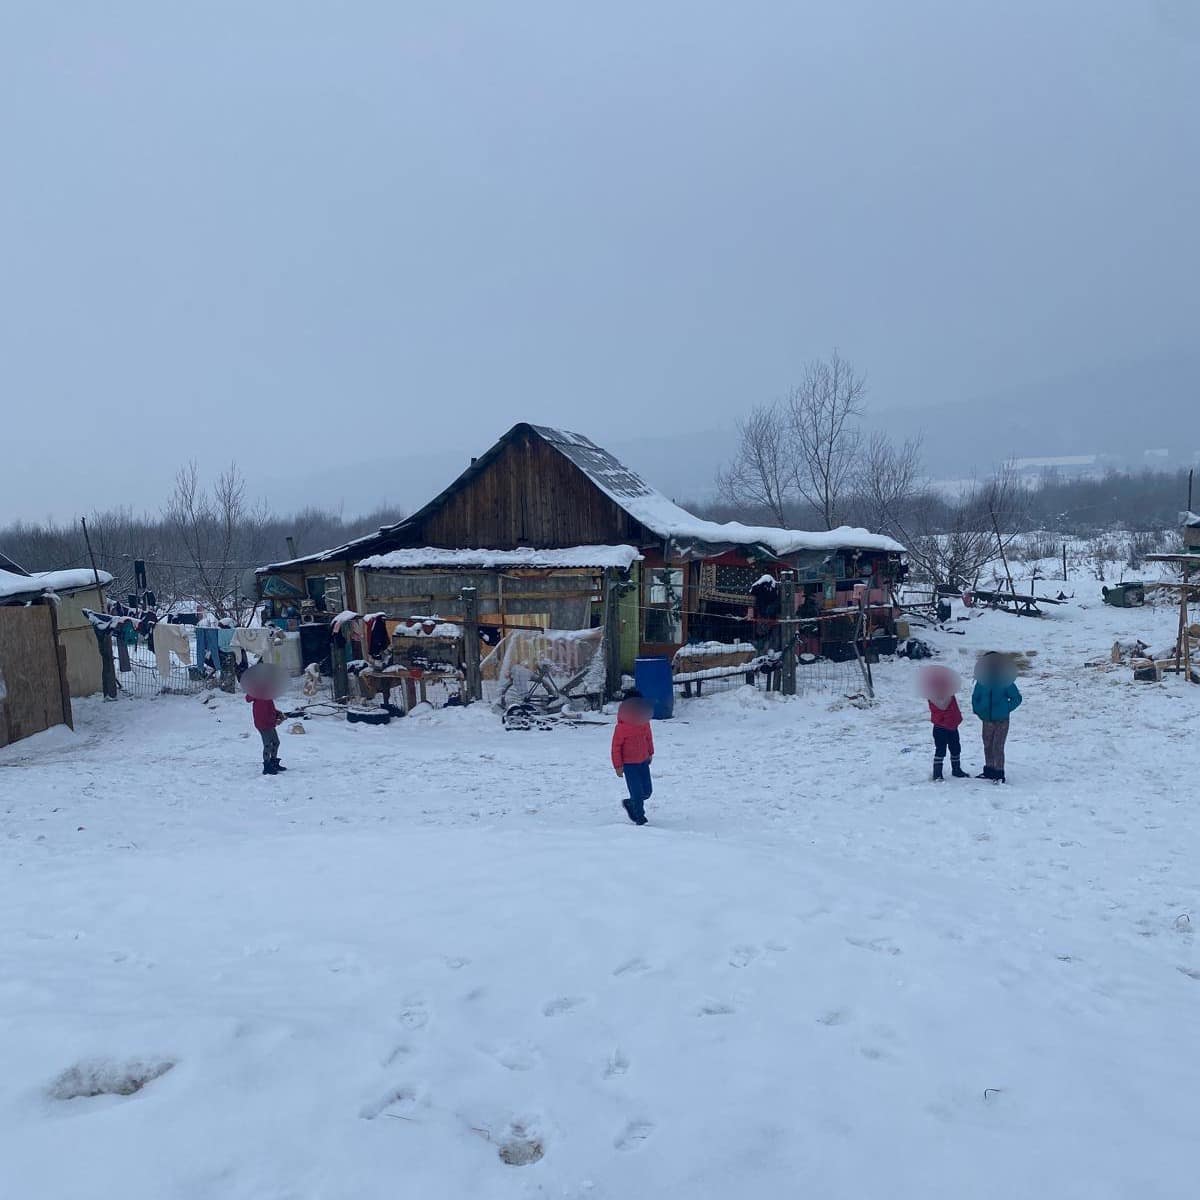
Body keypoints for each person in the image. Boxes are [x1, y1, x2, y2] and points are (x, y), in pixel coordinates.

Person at [971, 652, 1022, 783]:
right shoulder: (982, 682)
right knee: (987, 745)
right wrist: (978, 710)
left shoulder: (1006, 682)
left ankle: (999, 773)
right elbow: (975, 698)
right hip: (986, 720)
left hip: (1002, 721)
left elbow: (1017, 698)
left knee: (997, 746)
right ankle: (989, 770)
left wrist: (1005, 709)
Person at [611, 688, 654, 825]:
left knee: (647, 792)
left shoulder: (644, 723)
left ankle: (630, 803)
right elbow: (615, 747)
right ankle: (640, 817)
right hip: (629, 765)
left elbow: (648, 738)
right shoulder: (621, 728)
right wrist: (618, 766)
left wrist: (650, 752)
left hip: (643, 762)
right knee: (637, 792)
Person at [926, 672, 968, 782]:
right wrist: (945, 720)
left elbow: (954, 709)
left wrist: (956, 719)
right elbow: (940, 711)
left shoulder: (949, 695)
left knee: (955, 748)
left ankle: (956, 769)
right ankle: (937, 773)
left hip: (952, 726)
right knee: (940, 750)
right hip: (940, 727)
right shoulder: (934, 698)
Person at [247, 691, 287, 776]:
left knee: (276, 742)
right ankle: (267, 766)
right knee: (268, 744)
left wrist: (278, 714)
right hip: (263, 725)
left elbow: (270, 709)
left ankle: (273, 762)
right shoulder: (259, 695)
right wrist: (276, 721)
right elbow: (263, 715)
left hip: (269, 723)